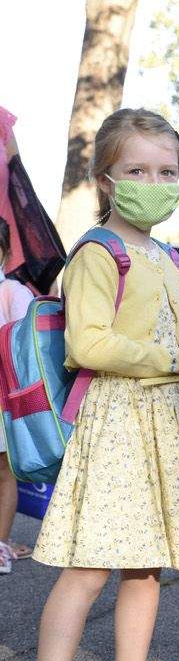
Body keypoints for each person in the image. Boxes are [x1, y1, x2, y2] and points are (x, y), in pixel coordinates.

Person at [16, 108, 179, 661]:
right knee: (88, 567)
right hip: (114, 425)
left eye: (166, 171)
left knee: (146, 564)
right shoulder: (97, 253)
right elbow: (90, 343)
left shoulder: (161, 254)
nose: (154, 181)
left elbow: (172, 333)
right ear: (107, 179)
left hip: (161, 423)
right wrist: (176, 357)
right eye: (138, 170)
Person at [0, 219, 37, 572]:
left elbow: (24, 349)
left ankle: (1, 544)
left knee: (4, 473)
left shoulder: (12, 292)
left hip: (2, 400)